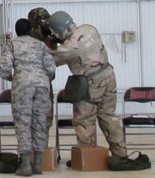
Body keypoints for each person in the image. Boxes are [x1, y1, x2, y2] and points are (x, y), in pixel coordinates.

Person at [48, 11, 123, 157]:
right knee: (109, 116)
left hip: (91, 83)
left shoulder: (69, 47)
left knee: (84, 120)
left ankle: (88, 157)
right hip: (109, 75)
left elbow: (51, 59)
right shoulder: (89, 28)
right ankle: (121, 154)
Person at [6, 17, 55, 176]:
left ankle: (25, 165)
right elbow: (51, 68)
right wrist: (44, 79)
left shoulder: (12, 44)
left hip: (22, 86)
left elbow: (4, 67)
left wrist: (10, 77)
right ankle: (38, 164)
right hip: (42, 86)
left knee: (23, 122)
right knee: (40, 122)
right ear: (30, 30)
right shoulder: (41, 45)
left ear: (16, 31)